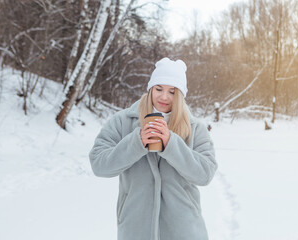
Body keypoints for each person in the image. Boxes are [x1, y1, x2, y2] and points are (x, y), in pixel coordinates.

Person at [89, 57, 218, 240]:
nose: (164, 97)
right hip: (135, 229)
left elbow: (205, 174)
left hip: (184, 230)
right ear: (150, 89)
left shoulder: (195, 127)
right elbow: (98, 164)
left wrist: (171, 145)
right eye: (159, 89)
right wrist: (136, 143)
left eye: (172, 92)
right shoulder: (123, 121)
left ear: (180, 95)